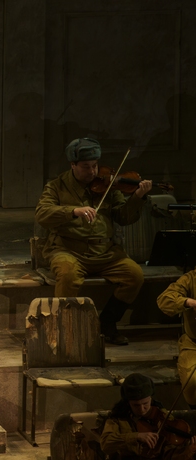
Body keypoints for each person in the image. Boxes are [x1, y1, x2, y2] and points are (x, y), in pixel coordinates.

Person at [35, 138, 152, 345]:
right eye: (86, 166)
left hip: (105, 252)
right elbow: (42, 214)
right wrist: (73, 211)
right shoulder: (56, 186)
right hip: (68, 249)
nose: (92, 172)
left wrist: (137, 197)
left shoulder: (109, 185)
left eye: (95, 166)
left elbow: (123, 217)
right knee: (68, 275)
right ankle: (65, 331)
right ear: (73, 165)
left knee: (134, 275)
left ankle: (108, 323)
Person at [100, 373, 196, 459]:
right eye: (136, 405)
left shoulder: (162, 416)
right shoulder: (118, 418)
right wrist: (136, 436)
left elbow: (169, 455)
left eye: (145, 403)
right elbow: (105, 444)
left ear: (151, 398)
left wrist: (189, 451)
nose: (142, 409)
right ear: (128, 402)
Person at [157, 267, 196, 409]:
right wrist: (189, 302)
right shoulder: (190, 279)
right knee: (192, 381)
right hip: (194, 344)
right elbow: (164, 299)